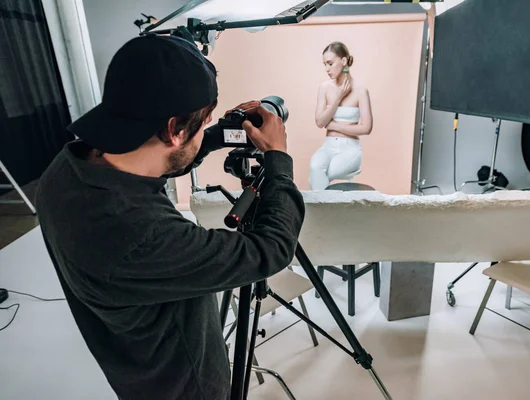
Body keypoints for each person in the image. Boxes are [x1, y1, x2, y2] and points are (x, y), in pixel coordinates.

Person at [35, 34, 304, 400]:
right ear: (174, 130)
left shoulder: (66, 169)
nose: (204, 128)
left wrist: (210, 135)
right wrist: (278, 160)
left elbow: (152, 160)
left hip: (132, 366)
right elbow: (270, 250)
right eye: (201, 122)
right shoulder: (143, 234)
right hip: (184, 386)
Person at [309, 41, 373, 190]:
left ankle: (321, 210)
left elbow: (366, 128)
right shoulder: (324, 88)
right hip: (328, 145)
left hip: (350, 149)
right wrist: (338, 97)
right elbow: (320, 122)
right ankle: (326, 211)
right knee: (315, 167)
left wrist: (334, 125)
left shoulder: (360, 91)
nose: (326, 69)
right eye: (324, 64)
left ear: (343, 61)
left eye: (330, 63)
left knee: (323, 173)